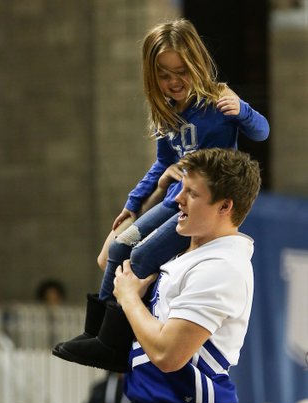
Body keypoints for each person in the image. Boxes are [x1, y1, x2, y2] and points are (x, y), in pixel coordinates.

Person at [54, 18, 269, 372]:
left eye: (180, 72)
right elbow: (163, 165)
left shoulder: (218, 101)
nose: (173, 83)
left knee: (141, 259)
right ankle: (97, 334)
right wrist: (132, 204)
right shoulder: (167, 113)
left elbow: (260, 132)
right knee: (120, 246)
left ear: (197, 64)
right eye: (164, 76)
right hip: (174, 199)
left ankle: (113, 342)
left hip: (200, 203)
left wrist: (243, 109)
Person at [109, 147, 260, 403]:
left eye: (191, 193)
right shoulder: (183, 249)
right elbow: (107, 258)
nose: (180, 199)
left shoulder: (222, 265)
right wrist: (155, 196)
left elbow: (168, 354)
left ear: (225, 207)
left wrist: (130, 298)